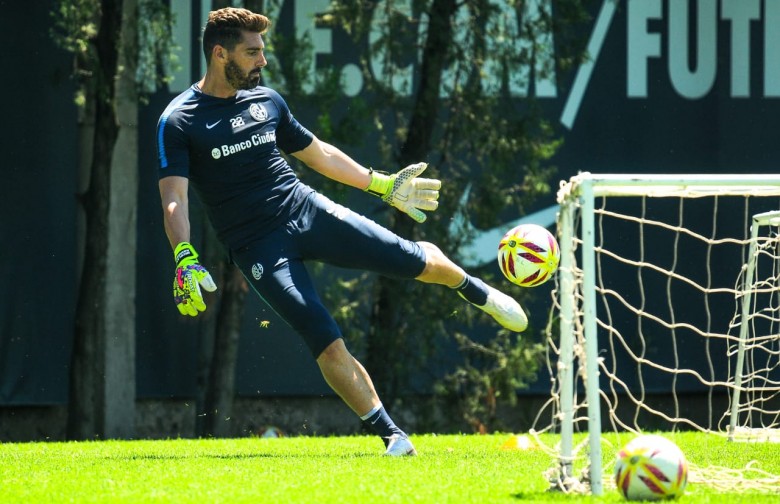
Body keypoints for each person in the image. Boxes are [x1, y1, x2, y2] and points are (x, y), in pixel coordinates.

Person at [156, 7, 527, 456]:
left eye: (262, 51)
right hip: (257, 244)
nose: (263, 61)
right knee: (323, 336)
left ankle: (476, 291)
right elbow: (174, 197)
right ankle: (392, 436)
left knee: (414, 261)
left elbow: (319, 154)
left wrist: (384, 185)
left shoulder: (268, 101)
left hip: (305, 209)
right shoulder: (179, 119)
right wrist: (184, 255)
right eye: (252, 52)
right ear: (220, 53)